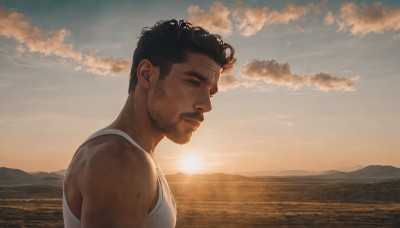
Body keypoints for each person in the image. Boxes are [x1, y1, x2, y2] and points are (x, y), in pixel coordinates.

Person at [63, 19, 236, 227]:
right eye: (193, 82)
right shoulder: (120, 160)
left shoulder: (130, 153)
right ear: (147, 75)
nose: (206, 105)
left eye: (210, 92)